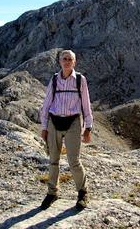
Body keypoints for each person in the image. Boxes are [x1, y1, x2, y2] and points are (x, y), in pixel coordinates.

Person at [39, 49, 93, 210]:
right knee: (53, 160)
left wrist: (88, 127)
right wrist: (44, 127)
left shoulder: (80, 80)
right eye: (64, 59)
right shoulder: (55, 80)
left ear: (74, 62)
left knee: (74, 161)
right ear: (60, 61)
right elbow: (46, 104)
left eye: (70, 59)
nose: (67, 61)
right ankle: (52, 192)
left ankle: (83, 193)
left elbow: (86, 104)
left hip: (73, 124)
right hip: (54, 122)